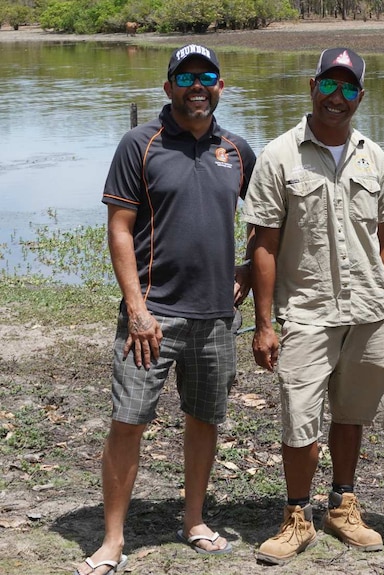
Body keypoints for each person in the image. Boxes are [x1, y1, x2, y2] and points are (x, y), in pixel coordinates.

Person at [74, 44, 256, 575]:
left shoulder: (238, 149)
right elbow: (120, 229)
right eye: (185, 75)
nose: (197, 84)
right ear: (168, 86)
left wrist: (246, 267)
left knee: (203, 419)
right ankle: (112, 539)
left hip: (216, 316)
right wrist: (137, 309)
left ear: (221, 85)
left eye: (207, 75)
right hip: (152, 314)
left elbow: (267, 218)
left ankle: (195, 520)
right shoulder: (140, 144)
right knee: (128, 419)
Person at [241, 47, 384, 565]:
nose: (338, 98)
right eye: (329, 87)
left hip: (368, 311)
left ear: (360, 94)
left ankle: (343, 505)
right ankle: (296, 517)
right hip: (306, 312)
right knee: (298, 417)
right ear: (313, 87)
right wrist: (263, 323)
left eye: (349, 88)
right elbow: (262, 245)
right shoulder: (278, 156)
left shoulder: (373, 156)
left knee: (353, 413)